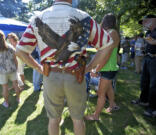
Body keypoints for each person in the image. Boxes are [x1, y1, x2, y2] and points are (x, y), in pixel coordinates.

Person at [16, 0, 116, 135]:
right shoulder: (85, 17)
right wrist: (91, 66)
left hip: (51, 76)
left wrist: (39, 68)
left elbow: (20, 50)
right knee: (78, 120)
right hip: (76, 76)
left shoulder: (38, 18)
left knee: (53, 120)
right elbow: (108, 44)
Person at [85, 13, 120, 121]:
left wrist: (96, 69)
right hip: (109, 67)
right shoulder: (109, 33)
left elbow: (107, 55)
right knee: (109, 88)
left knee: (101, 93)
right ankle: (112, 105)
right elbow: (101, 51)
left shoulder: (111, 33)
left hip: (107, 67)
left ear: (105, 21)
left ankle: (95, 116)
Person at [132, 15, 156, 117]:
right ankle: (143, 100)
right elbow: (148, 43)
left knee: (154, 85)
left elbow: (153, 42)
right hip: (147, 58)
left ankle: (152, 108)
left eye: (145, 22)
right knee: (144, 81)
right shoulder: (148, 32)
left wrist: (151, 41)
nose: (144, 24)